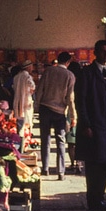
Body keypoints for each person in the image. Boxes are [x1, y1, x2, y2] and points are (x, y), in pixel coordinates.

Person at [75, 40, 106, 211]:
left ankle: (100, 198)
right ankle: (93, 199)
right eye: (102, 51)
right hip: (93, 126)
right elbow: (81, 100)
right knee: (94, 165)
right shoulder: (87, 73)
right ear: (95, 53)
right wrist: (86, 124)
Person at [34, 51, 76, 180]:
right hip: (59, 112)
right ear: (68, 62)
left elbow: (40, 89)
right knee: (61, 141)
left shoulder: (48, 71)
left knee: (45, 139)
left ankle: (45, 168)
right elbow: (70, 98)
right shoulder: (70, 75)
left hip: (45, 109)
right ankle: (60, 172)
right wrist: (73, 115)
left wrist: (37, 106)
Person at [12, 60, 36, 152]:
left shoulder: (16, 77)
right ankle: (23, 147)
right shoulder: (28, 77)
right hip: (26, 103)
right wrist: (30, 91)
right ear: (28, 67)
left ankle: (19, 147)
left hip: (18, 102)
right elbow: (32, 86)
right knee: (26, 125)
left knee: (19, 124)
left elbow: (14, 88)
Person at [66, 61, 82, 174]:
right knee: (80, 140)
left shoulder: (69, 81)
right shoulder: (83, 82)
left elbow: (69, 99)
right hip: (82, 113)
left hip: (71, 113)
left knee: (71, 142)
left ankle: (73, 163)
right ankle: (79, 164)